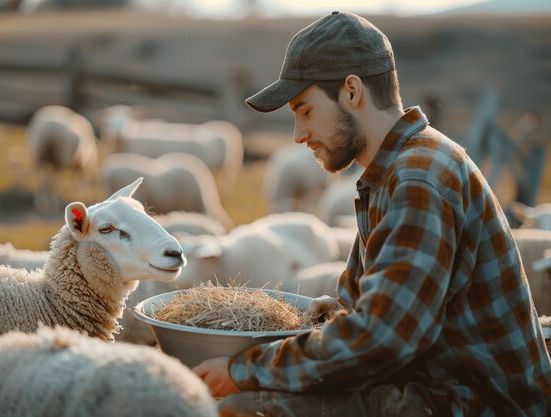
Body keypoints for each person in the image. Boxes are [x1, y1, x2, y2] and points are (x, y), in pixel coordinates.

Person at [192, 11, 551, 417]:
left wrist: (244, 370)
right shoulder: (386, 174)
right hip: (435, 383)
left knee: (247, 407)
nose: (298, 135)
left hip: (480, 401)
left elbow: (385, 334)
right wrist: (323, 315)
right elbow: (365, 304)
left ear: (351, 91)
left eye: (305, 110)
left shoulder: (421, 177)